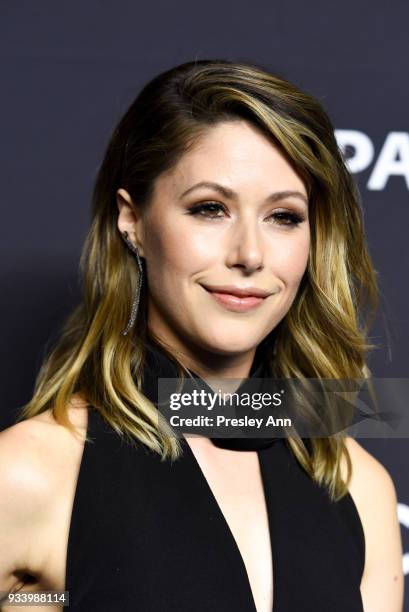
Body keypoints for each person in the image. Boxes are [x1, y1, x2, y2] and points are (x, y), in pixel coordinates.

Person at [0, 59, 404, 612]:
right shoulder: (33, 474)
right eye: (210, 209)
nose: (250, 255)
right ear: (132, 221)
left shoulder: (357, 484)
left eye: (283, 216)